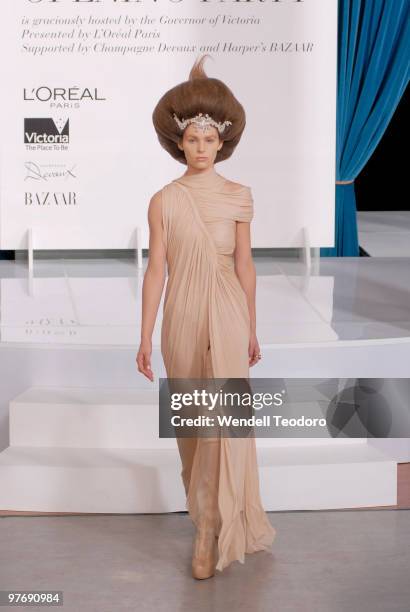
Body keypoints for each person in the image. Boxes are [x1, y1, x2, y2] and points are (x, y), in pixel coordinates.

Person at [136, 53, 276, 579]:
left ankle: (212, 530)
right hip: (183, 312)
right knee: (194, 422)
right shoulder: (164, 200)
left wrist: (253, 326)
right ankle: (204, 516)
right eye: (190, 140)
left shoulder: (239, 196)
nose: (199, 148)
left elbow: (245, 263)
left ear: (223, 142)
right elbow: (156, 272)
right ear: (179, 143)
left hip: (228, 307)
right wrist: (145, 336)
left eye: (208, 140)